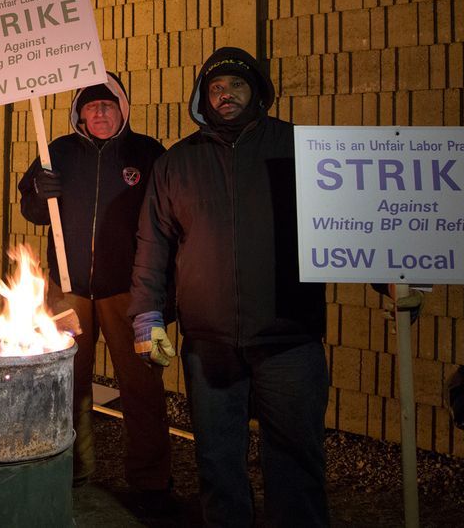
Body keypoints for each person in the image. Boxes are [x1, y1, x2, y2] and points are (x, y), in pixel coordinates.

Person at [129, 46, 329, 527]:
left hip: (289, 336)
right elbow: (153, 244)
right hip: (209, 341)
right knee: (217, 462)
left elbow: (350, 220)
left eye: (236, 84)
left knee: (296, 460)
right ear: (203, 98)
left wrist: (391, 277)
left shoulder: (301, 148)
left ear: (257, 91)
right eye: (215, 87)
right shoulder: (177, 163)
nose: (225, 95)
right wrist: (147, 315)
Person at [17, 73, 172, 499]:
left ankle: (150, 482)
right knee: (68, 382)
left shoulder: (147, 153)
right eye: (91, 106)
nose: (100, 112)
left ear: (123, 109)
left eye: (108, 104)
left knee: (141, 385)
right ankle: (71, 470)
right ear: (79, 114)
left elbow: (167, 218)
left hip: (129, 291)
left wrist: (161, 292)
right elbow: (33, 210)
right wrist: (38, 193)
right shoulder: (58, 152)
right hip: (69, 289)